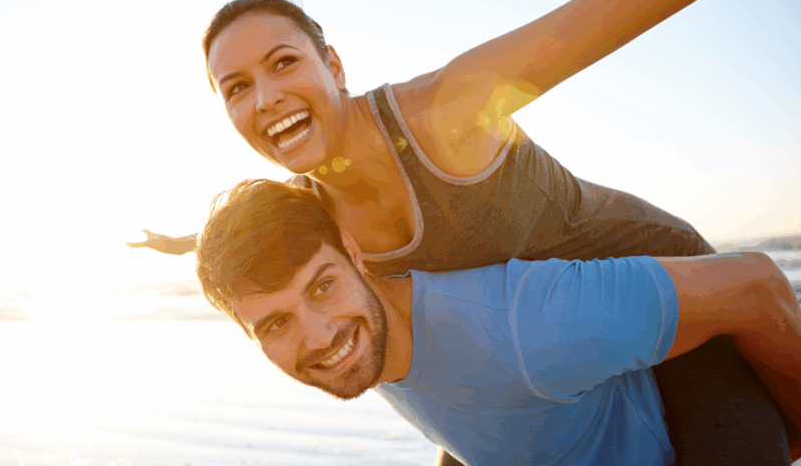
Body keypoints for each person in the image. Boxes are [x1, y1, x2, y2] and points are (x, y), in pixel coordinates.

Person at [128, 0, 801, 463]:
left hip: (658, 283)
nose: (266, 97)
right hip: (531, 366)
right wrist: (187, 242)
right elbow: (257, 240)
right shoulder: (314, 212)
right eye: (236, 87)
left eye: (282, 63)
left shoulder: (446, 114)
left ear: (333, 64)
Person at [195, 179, 801, 465]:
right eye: (274, 324)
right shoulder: (364, 344)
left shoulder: (526, 324)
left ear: (355, 257)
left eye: (322, 286)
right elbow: (476, 408)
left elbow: (754, 285)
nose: (319, 335)